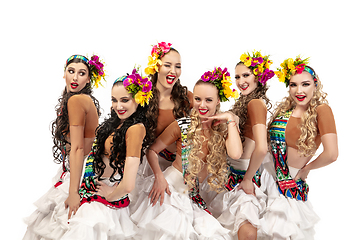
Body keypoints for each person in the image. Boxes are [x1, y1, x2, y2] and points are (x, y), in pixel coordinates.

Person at [130, 67, 240, 239]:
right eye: (197, 99)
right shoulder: (183, 125)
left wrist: (231, 119)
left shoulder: (222, 129)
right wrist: (159, 177)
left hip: (192, 198)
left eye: (208, 100)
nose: (202, 105)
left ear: (218, 101)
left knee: (215, 235)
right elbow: (152, 150)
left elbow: (235, 154)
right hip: (169, 191)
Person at [61, 69, 155, 239]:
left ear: (139, 100)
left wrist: (110, 195)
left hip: (102, 200)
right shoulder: (117, 123)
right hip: (88, 190)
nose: (118, 106)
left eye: (125, 100)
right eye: (114, 100)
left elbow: (128, 185)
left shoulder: (135, 129)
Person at [23, 54, 105, 239]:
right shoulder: (78, 99)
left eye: (81, 73)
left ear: (89, 78)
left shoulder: (76, 101)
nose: (75, 77)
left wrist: (74, 192)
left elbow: (77, 149)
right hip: (74, 168)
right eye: (71, 71)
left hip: (80, 169)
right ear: (64, 74)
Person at [260, 56, 338, 239]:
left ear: (315, 85)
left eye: (305, 84)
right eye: (293, 85)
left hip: (287, 187)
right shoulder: (283, 110)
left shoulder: (321, 110)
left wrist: (306, 170)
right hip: (264, 180)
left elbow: (332, 154)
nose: (299, 90)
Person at [205, 51, 275, 240]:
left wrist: (247, 179)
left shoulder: (255, 104)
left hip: (243, 176)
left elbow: (261, 148)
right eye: (237, 76)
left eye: (246, 75)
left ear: (258, 77)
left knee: (246, 222)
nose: (241, 81)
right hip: (231, 175)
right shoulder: (244, 103)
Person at [138, 42, 192, 177]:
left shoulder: (187, 97)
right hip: (153, 165)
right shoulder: (143, 97)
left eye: (177, 66)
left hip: (180, 168)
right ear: (156, 66)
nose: (173, 71)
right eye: (167, 65)